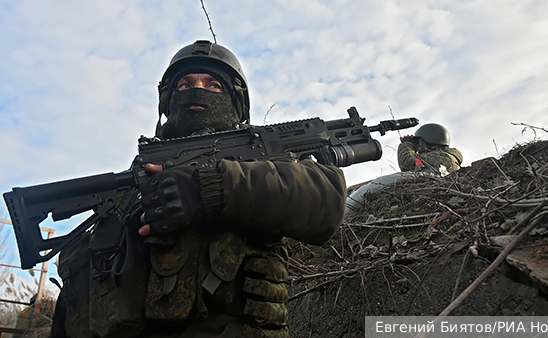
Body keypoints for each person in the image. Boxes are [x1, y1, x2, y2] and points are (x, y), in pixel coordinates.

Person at [50, 40, 346, 338]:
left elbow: (326, 197)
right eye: (184, 85)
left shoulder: (264, 155)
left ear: (236, 101)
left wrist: (207, 187)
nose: (197, 90)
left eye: (213, 84)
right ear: (167, 100)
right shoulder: (142, 172)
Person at [397, 123, 462, 175]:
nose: (416, 146)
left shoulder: (443, 157)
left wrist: (407, 144)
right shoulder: (448, 156)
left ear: (429, 140)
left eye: (418, 142)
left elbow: (407, 164)